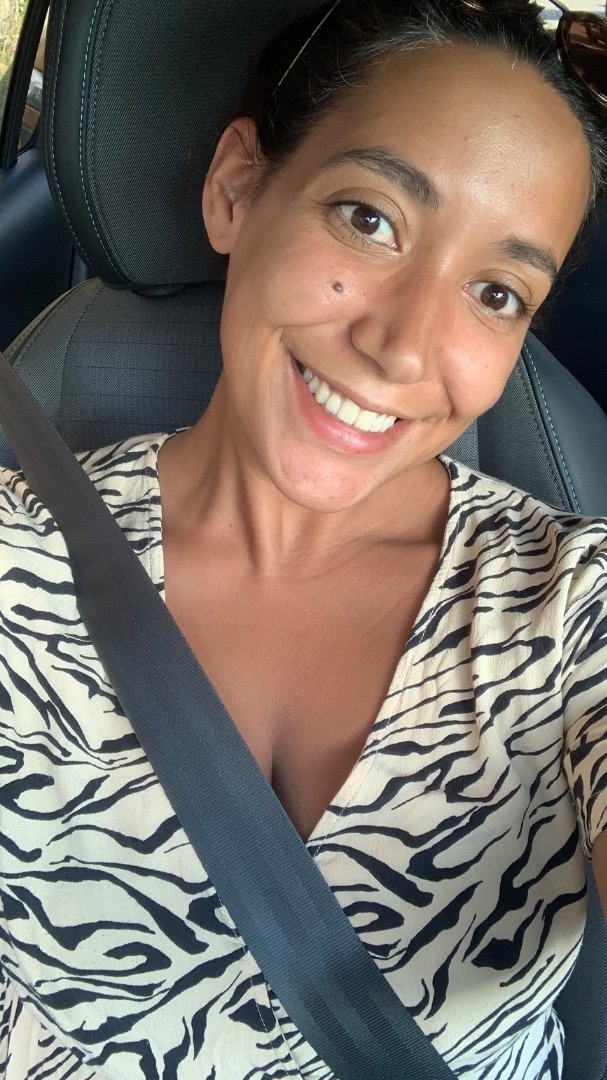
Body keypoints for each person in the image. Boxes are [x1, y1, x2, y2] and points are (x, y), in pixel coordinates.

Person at [1, 0, 607, 1077]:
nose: (403, 346)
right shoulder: (18, 553)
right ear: (237, 189)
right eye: (368, 219)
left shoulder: (569, 607)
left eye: (495, 292)